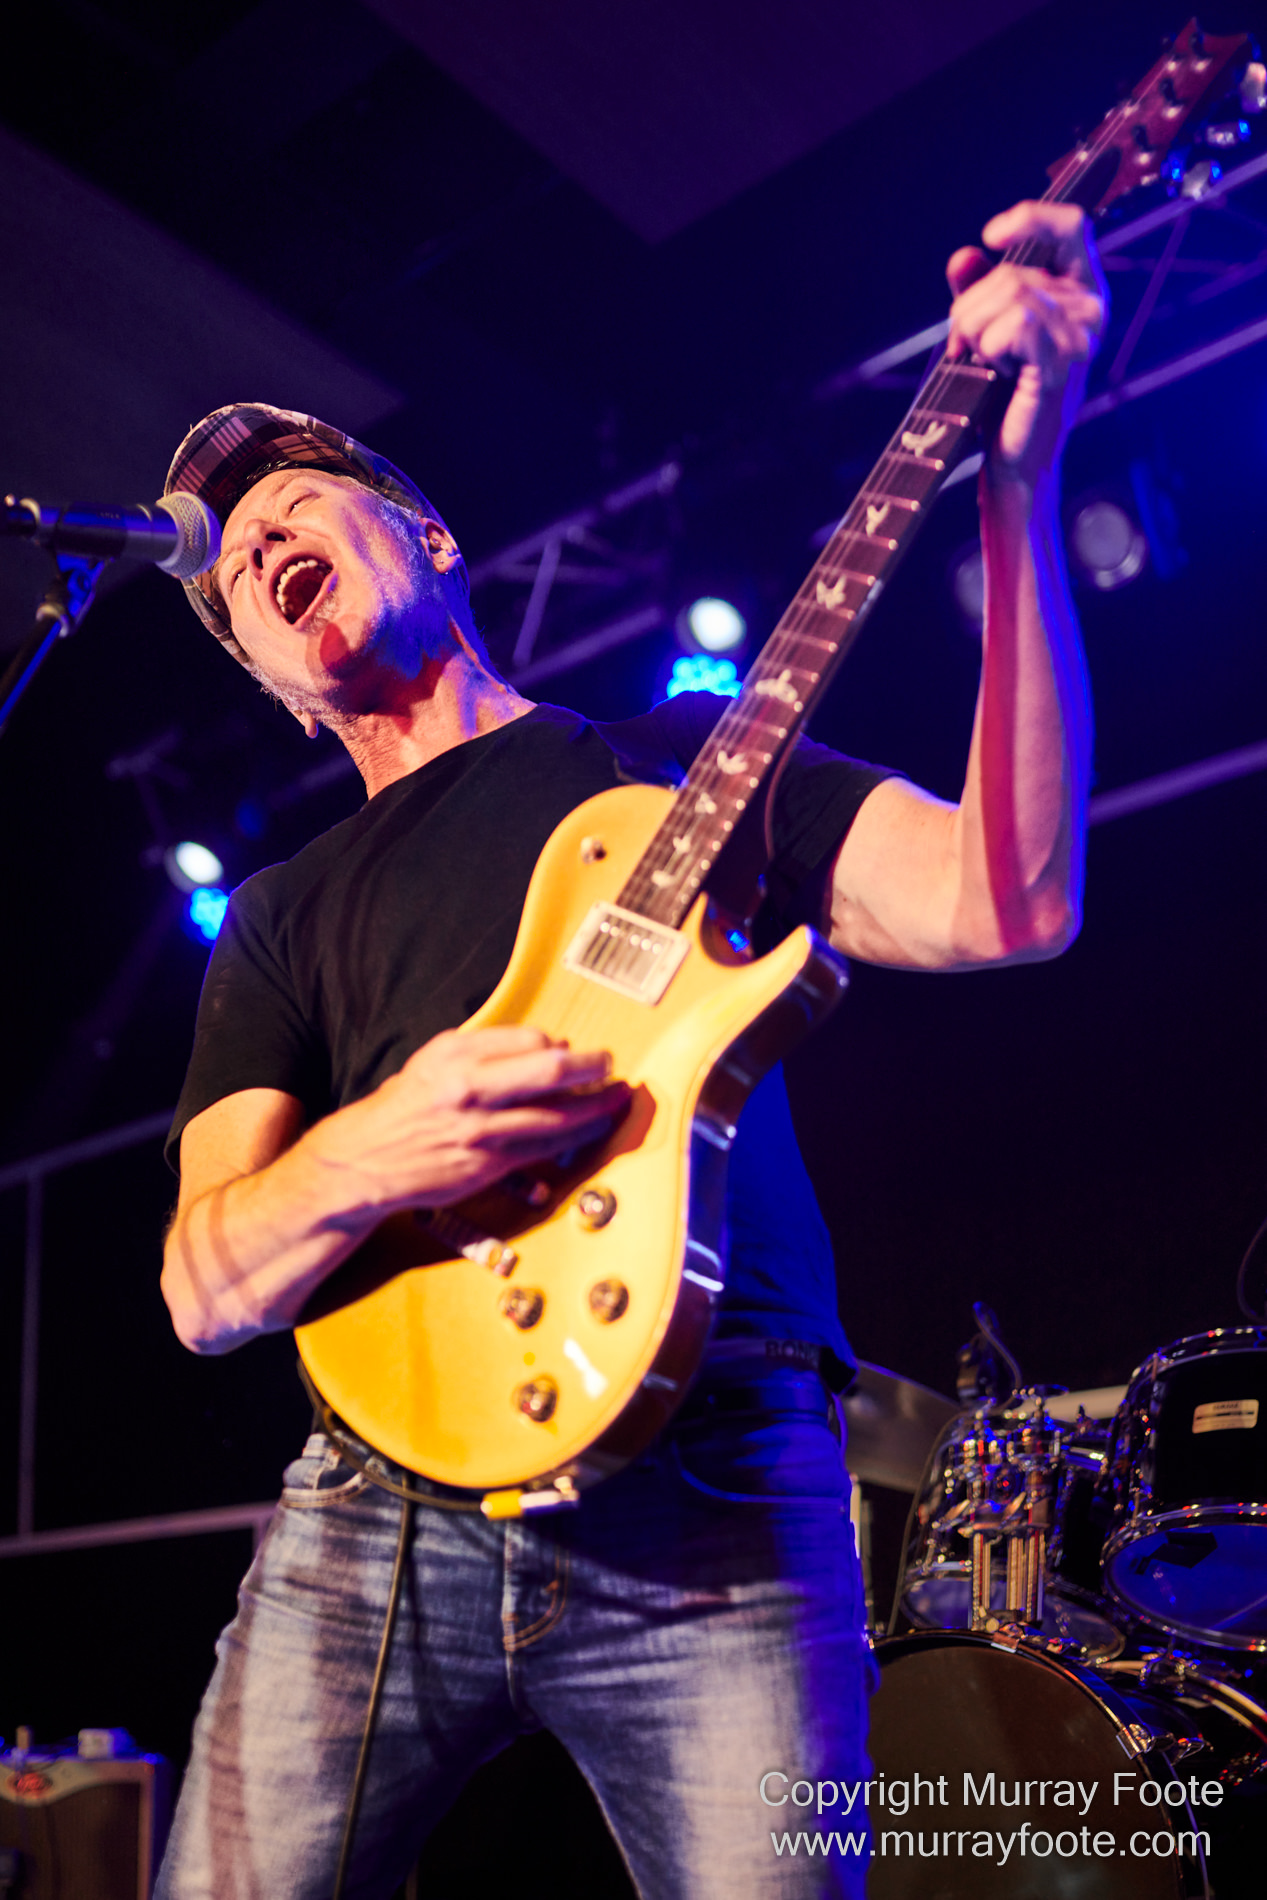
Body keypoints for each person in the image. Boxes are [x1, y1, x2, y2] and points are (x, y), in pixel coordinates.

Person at [154, 200, 1102, 1898]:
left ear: (432, 538)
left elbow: (1006, 897)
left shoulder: (685, 764)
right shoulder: (282, 912)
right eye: (236, 571)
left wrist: (1018, 492)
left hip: (716, 1469)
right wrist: (381, 1142)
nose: (260, 542)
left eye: (297, 501)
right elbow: (203, 1283)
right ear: (282, 692)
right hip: (374, 1509)